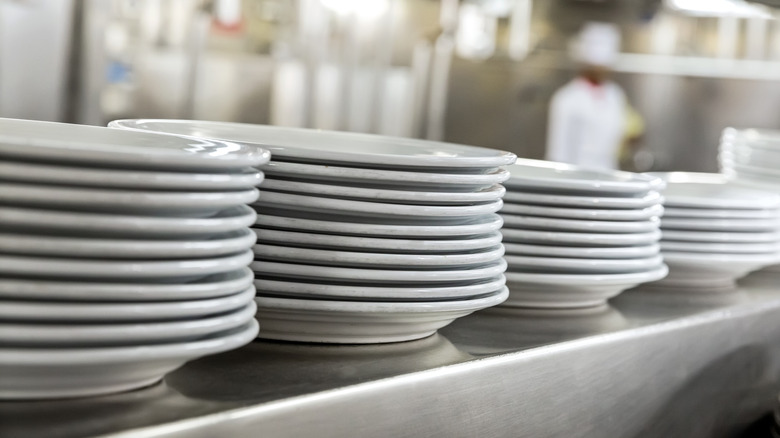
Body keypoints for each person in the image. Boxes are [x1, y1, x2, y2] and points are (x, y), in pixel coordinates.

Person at [546, 22, 627, 170]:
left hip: (610, 175)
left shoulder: (616, 94)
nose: (601, 70)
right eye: (597, 66)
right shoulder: (566, 98)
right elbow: (557, 152)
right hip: (577, 179)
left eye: (604, 66)